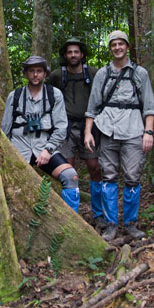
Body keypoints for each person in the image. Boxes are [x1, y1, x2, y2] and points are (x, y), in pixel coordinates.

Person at [83, 31, 154, 241]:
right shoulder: (103, 74)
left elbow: (149, 106)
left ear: (127, 46)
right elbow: (92, 106)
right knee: (108, 176)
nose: (117, 48)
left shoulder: (140, 73)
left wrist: (148, 132)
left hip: (134, 130)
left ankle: (131, 224)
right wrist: (88, 132)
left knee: (133, 176)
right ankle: (111, 224)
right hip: (107, 130)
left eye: (120, 44)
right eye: (113, 44)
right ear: (110, 48)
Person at [1, 55, 80, 212]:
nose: (35, 75)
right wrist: (7, 154)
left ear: (45, 73)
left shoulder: (54, 95)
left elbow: (61, 127)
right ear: (25, 73)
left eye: (39, 71)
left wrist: (48, 149)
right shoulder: (15, 96)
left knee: (71, 177)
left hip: (43, 147)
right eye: (31, 71)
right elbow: (5, 128)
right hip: (18, 148)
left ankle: (70, 221)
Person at [46, 38, 104, 228]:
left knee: (95, 167)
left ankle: (99, 213)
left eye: (76, 52)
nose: (73, 55)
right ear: (65, 55)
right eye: (69, 52)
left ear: (82, 54)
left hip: (90, 126)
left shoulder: (93, 73)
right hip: (66, 128)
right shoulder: (56, 75)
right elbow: (43, 93)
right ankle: (71, 216)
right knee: (67, 169)